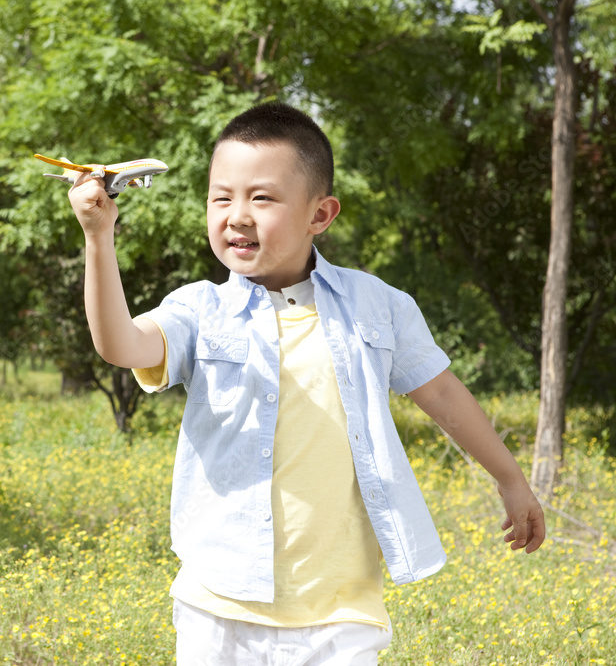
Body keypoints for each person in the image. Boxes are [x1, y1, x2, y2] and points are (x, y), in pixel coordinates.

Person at [65, 101, 545, 665]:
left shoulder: (379, 305)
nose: (237, 215)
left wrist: (510, 477)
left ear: (320, 214)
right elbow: (120, 345)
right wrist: (100, 236)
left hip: (340, 611)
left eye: (261, 197)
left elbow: (439, 392)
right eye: (222, 197)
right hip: (219, 604)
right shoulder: (200, 308)